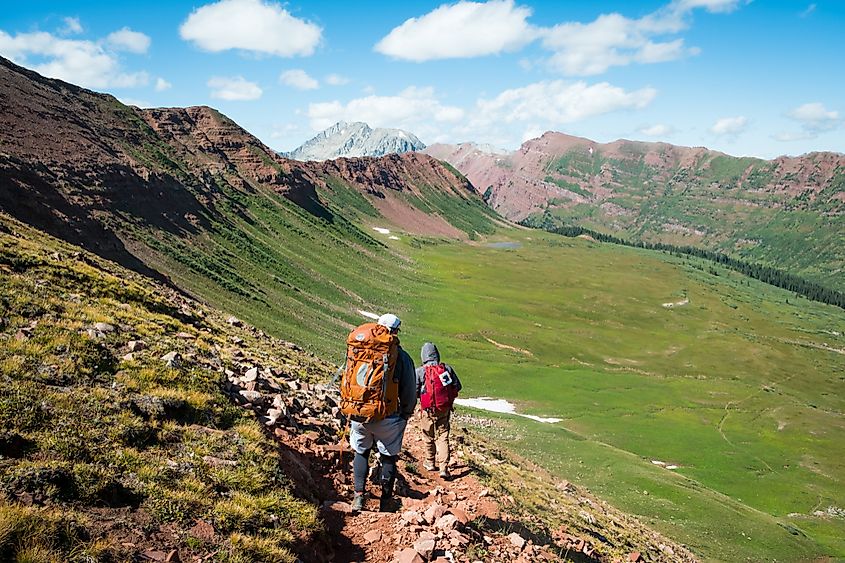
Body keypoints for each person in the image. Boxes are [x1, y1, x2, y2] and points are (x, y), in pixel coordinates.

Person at [349, 313, 416, 513]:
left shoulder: (360, 350)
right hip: (388, 416)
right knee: (388, 457)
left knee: (361, 452)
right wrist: (406, 413)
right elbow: (409, 389)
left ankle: (358, 497)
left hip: (359, 412)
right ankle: (386, 501)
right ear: (395, 331)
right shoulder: (401, 356)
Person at [416, 342, 461, 480]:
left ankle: (430, 462)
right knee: (443, 436)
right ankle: (444, 468)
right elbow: (457, 386)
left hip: (427, 410)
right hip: (444, 409)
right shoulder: (446, 369)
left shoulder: (420, 371)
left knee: (428, 435)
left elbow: (414, 391)